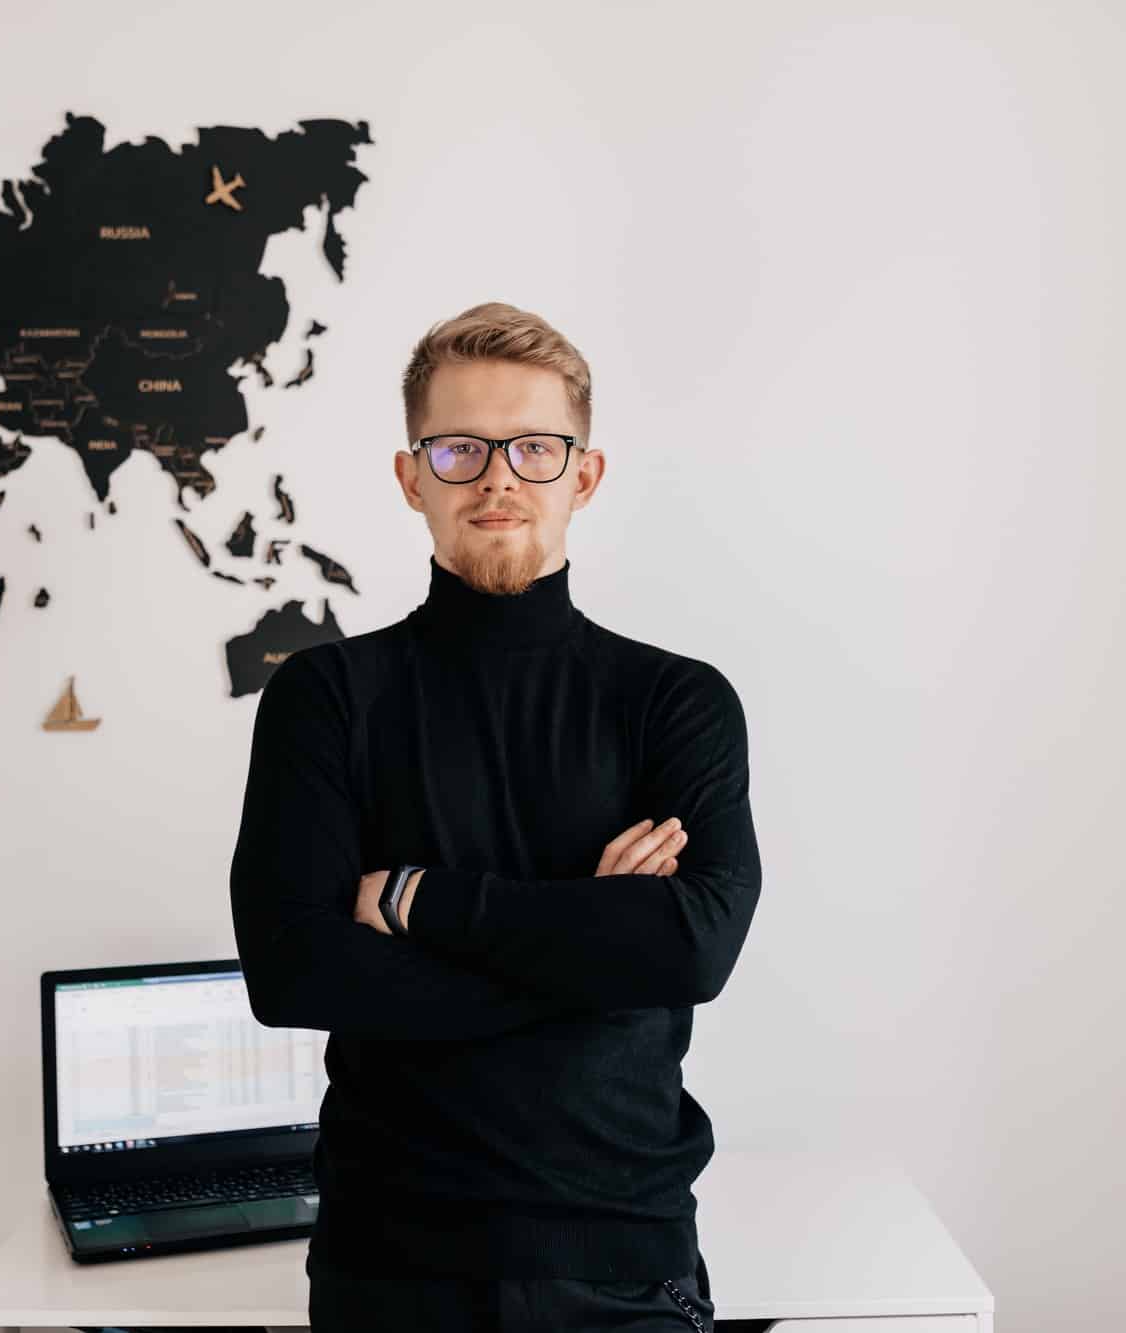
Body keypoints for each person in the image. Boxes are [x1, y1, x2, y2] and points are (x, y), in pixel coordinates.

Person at [220, 300, 767, 1332]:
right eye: (461, 448)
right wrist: (594, 946)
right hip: (390, 1267)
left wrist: (419, 899)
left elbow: (690, 952)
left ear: (584, 474)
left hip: (623, 1263)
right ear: (411, 474)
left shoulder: (675, 700)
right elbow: (294, 969)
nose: (499, 477)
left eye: (533, 447)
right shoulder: (327, 697)